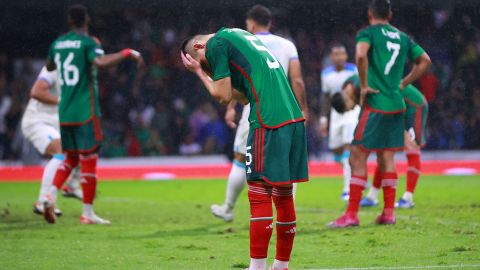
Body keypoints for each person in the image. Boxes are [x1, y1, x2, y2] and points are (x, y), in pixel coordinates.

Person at [181, 27, 308, 270]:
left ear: (198, 48)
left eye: (204, 63)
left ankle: (256, 267)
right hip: (292, 118)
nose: (208, 68)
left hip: (267, 121)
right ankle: (281, 265)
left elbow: (222, 96)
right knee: (283, 196)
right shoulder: (239, 35)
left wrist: (199, 73)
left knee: (259, 194)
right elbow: (241, 95)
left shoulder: (215, 44)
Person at [328, 0, 431, 228]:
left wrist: (364, 86)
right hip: (397, 104)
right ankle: (388, 213)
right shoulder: (403, 38)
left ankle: (352, 214)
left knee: (357, 153)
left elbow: (361, 55)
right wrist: (403, 83)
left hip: (376, 104)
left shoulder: (368, 33)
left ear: (369, 13)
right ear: (390, 14)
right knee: (387, 157)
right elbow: (425, 61)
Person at [42, 4, 144, 224]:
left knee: (69, 158)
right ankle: (87, 214)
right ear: (86, 20)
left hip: (65, 110)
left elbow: (50, 67)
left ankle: (49, 196)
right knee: (89, 159)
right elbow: (100, 62)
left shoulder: (57, 44)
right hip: (85, 111)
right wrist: (126, 53)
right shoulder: (89, 43)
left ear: (69, 21)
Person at [211, 4, 308, 222]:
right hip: (287, 109)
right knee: (286, 161)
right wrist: (304, 109)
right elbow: (297, 80)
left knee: (240, 158)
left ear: (251, 24)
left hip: (255, 108)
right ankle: (286, 214)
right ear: (270, 22)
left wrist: (230, 108)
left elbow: (236, 81)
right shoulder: (287, 45)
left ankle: (228, 208)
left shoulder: (246, 42)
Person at [333, 75, 428, 209]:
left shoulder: (361, 86)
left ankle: (408, 197)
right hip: (392, 108)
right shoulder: (350, 85)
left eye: (350, 107)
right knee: (383, 151)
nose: (353, 108)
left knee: (411, 147)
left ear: (347, 96)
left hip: (412, 105)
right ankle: (372, 196)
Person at [21, 66, 83, 217]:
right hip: (38, 121)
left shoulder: (78, 74)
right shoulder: (54, 68)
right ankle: (42, 202)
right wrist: (62, 102)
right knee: (60, 152)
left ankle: (72, 186)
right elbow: (36, 92)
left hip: (55, 123)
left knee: (81, 148)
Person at [319, 44, 358, 201]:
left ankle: (347, 188)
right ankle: (355, 172)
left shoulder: (353, 70)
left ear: (346, 56)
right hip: (335, 114)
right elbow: (325, 97)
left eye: (342, 53)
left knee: (348, 147)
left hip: (351, 110)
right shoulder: (326, 74)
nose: (339, 57)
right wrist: (324, 118)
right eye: (336, 54)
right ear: (331, 57)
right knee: (336, 151)